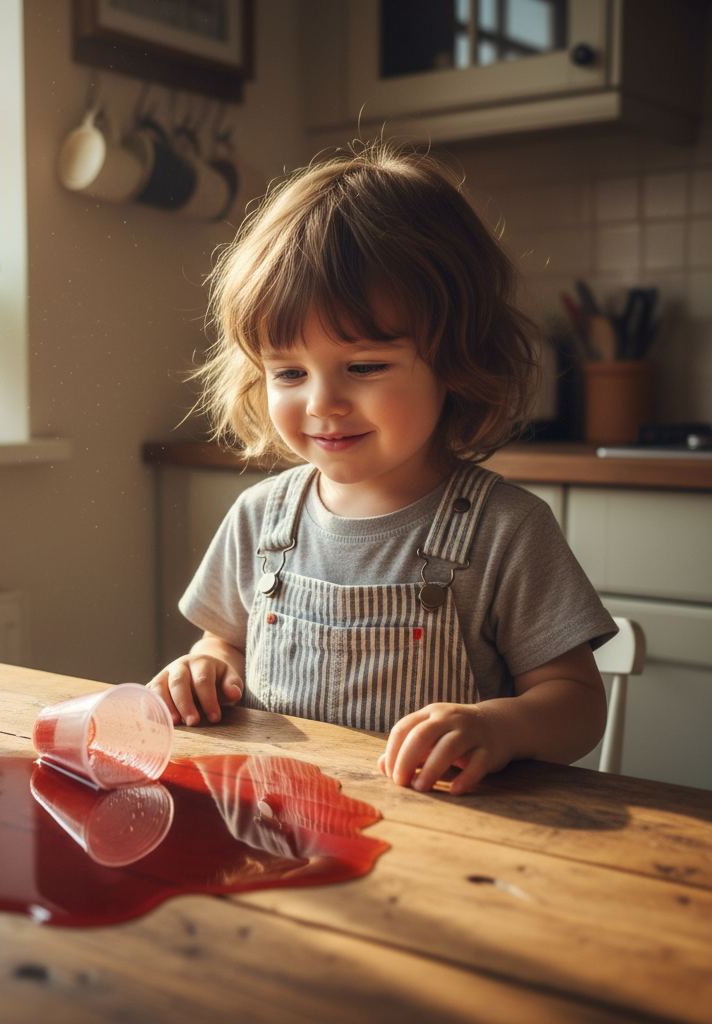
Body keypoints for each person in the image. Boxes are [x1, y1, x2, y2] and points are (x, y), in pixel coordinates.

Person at [147, 143, 615, 796]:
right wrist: (200, 671)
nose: (321, 404)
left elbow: (576, 702)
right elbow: (222, 645)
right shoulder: (261, 519)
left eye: (364, 367)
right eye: (289, 372)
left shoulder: (506, 531)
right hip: (277, 828)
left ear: (455, 361)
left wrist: (502, 728)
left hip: (445, 848)